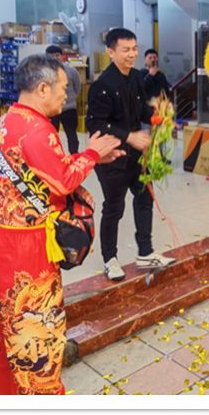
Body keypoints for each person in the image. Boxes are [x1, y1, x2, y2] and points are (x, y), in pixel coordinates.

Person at [0, 54, 122, 393]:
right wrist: (91, 153)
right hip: (27, 247)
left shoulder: (4, 122)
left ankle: (7, 393)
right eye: (62, 87)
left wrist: (86, 159)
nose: (66, 95)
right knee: (37, 333)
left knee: (6, 326)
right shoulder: (37, 129)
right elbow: (62, 182)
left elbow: (40, 169)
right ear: (42, 88)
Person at [85, 28, 176, 280]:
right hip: (111, 158)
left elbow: (140, 111)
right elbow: (95, 124)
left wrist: (157, 115)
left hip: (137, 156)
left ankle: (145, 252)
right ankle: (110, 259)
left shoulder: (137, 77)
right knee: (114, 207)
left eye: (134, 49)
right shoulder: (102, 86)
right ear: (110, 52)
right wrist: (129, 136)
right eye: (125, 50)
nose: (132, 54)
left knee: (145, 198)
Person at [45, 45, 82, 155]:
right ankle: (54, 156)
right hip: (52, 109)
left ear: (62, 56)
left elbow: (77, 87)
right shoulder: (43, 73)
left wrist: (70, 99)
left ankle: (74, 155)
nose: (54, 58)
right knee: (52, 135)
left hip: (69, 108)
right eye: (51, 56)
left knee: (72, 135)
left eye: (57, 55)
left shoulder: (71, 71)